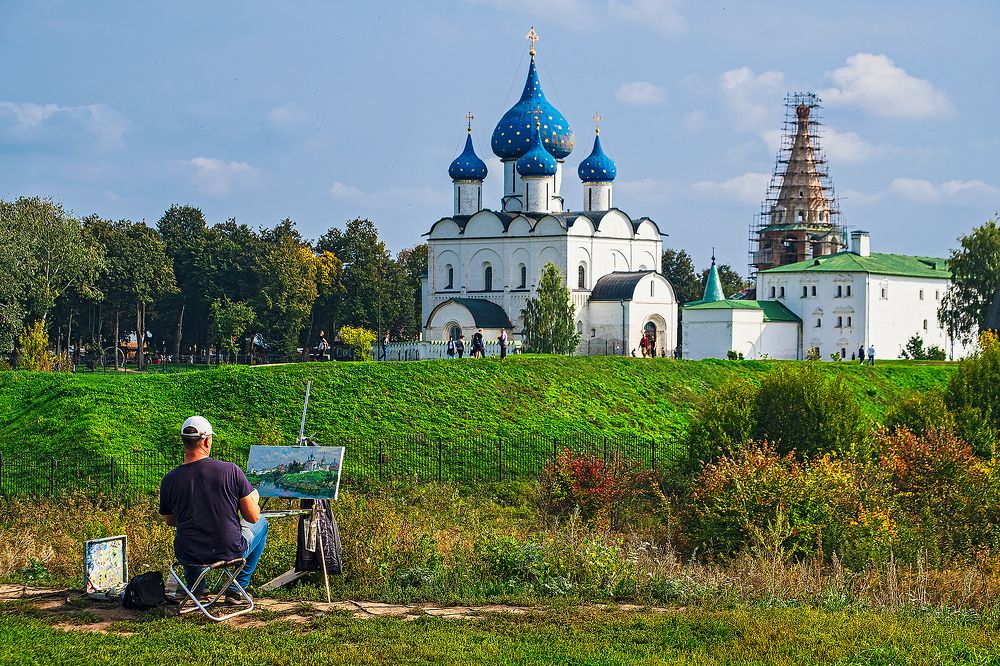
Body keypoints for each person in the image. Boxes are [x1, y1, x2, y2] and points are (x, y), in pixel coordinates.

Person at [159, 416, 268, 603]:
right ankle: (236, 589)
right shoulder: (230, 470)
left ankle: (197, 589)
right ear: (207, 440)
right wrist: (252, 500)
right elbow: (252, 517)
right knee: (263, 523)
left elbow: (170, 520)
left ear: (184, 441)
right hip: (229, 551)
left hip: (189, 553)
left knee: (184, 530)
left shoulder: (170, 479)